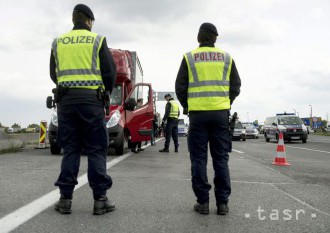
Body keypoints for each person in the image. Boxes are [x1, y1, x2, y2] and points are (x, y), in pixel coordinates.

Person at [49, 4, 117, 215]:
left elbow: (54, 73)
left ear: (73, 19)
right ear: (89, 21)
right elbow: (109, 72)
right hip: (91, 102)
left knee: (70, 149)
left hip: (66, 102)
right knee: (96, 149)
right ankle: (100, 200)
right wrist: (104, 92)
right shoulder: (98, 40)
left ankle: (65, 200)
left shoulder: (58, 42)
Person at [175, 22, 241, 215]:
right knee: (221, 159)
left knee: (198, 159)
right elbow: (236, 85)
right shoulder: (226, 57)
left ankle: (203, 203)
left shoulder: (189, 57)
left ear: (198, 37)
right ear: (214, 38)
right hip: (221, 115)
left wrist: (188, 106)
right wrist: (226, 102)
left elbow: (180, 86)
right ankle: (222, 204)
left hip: (197, 116)